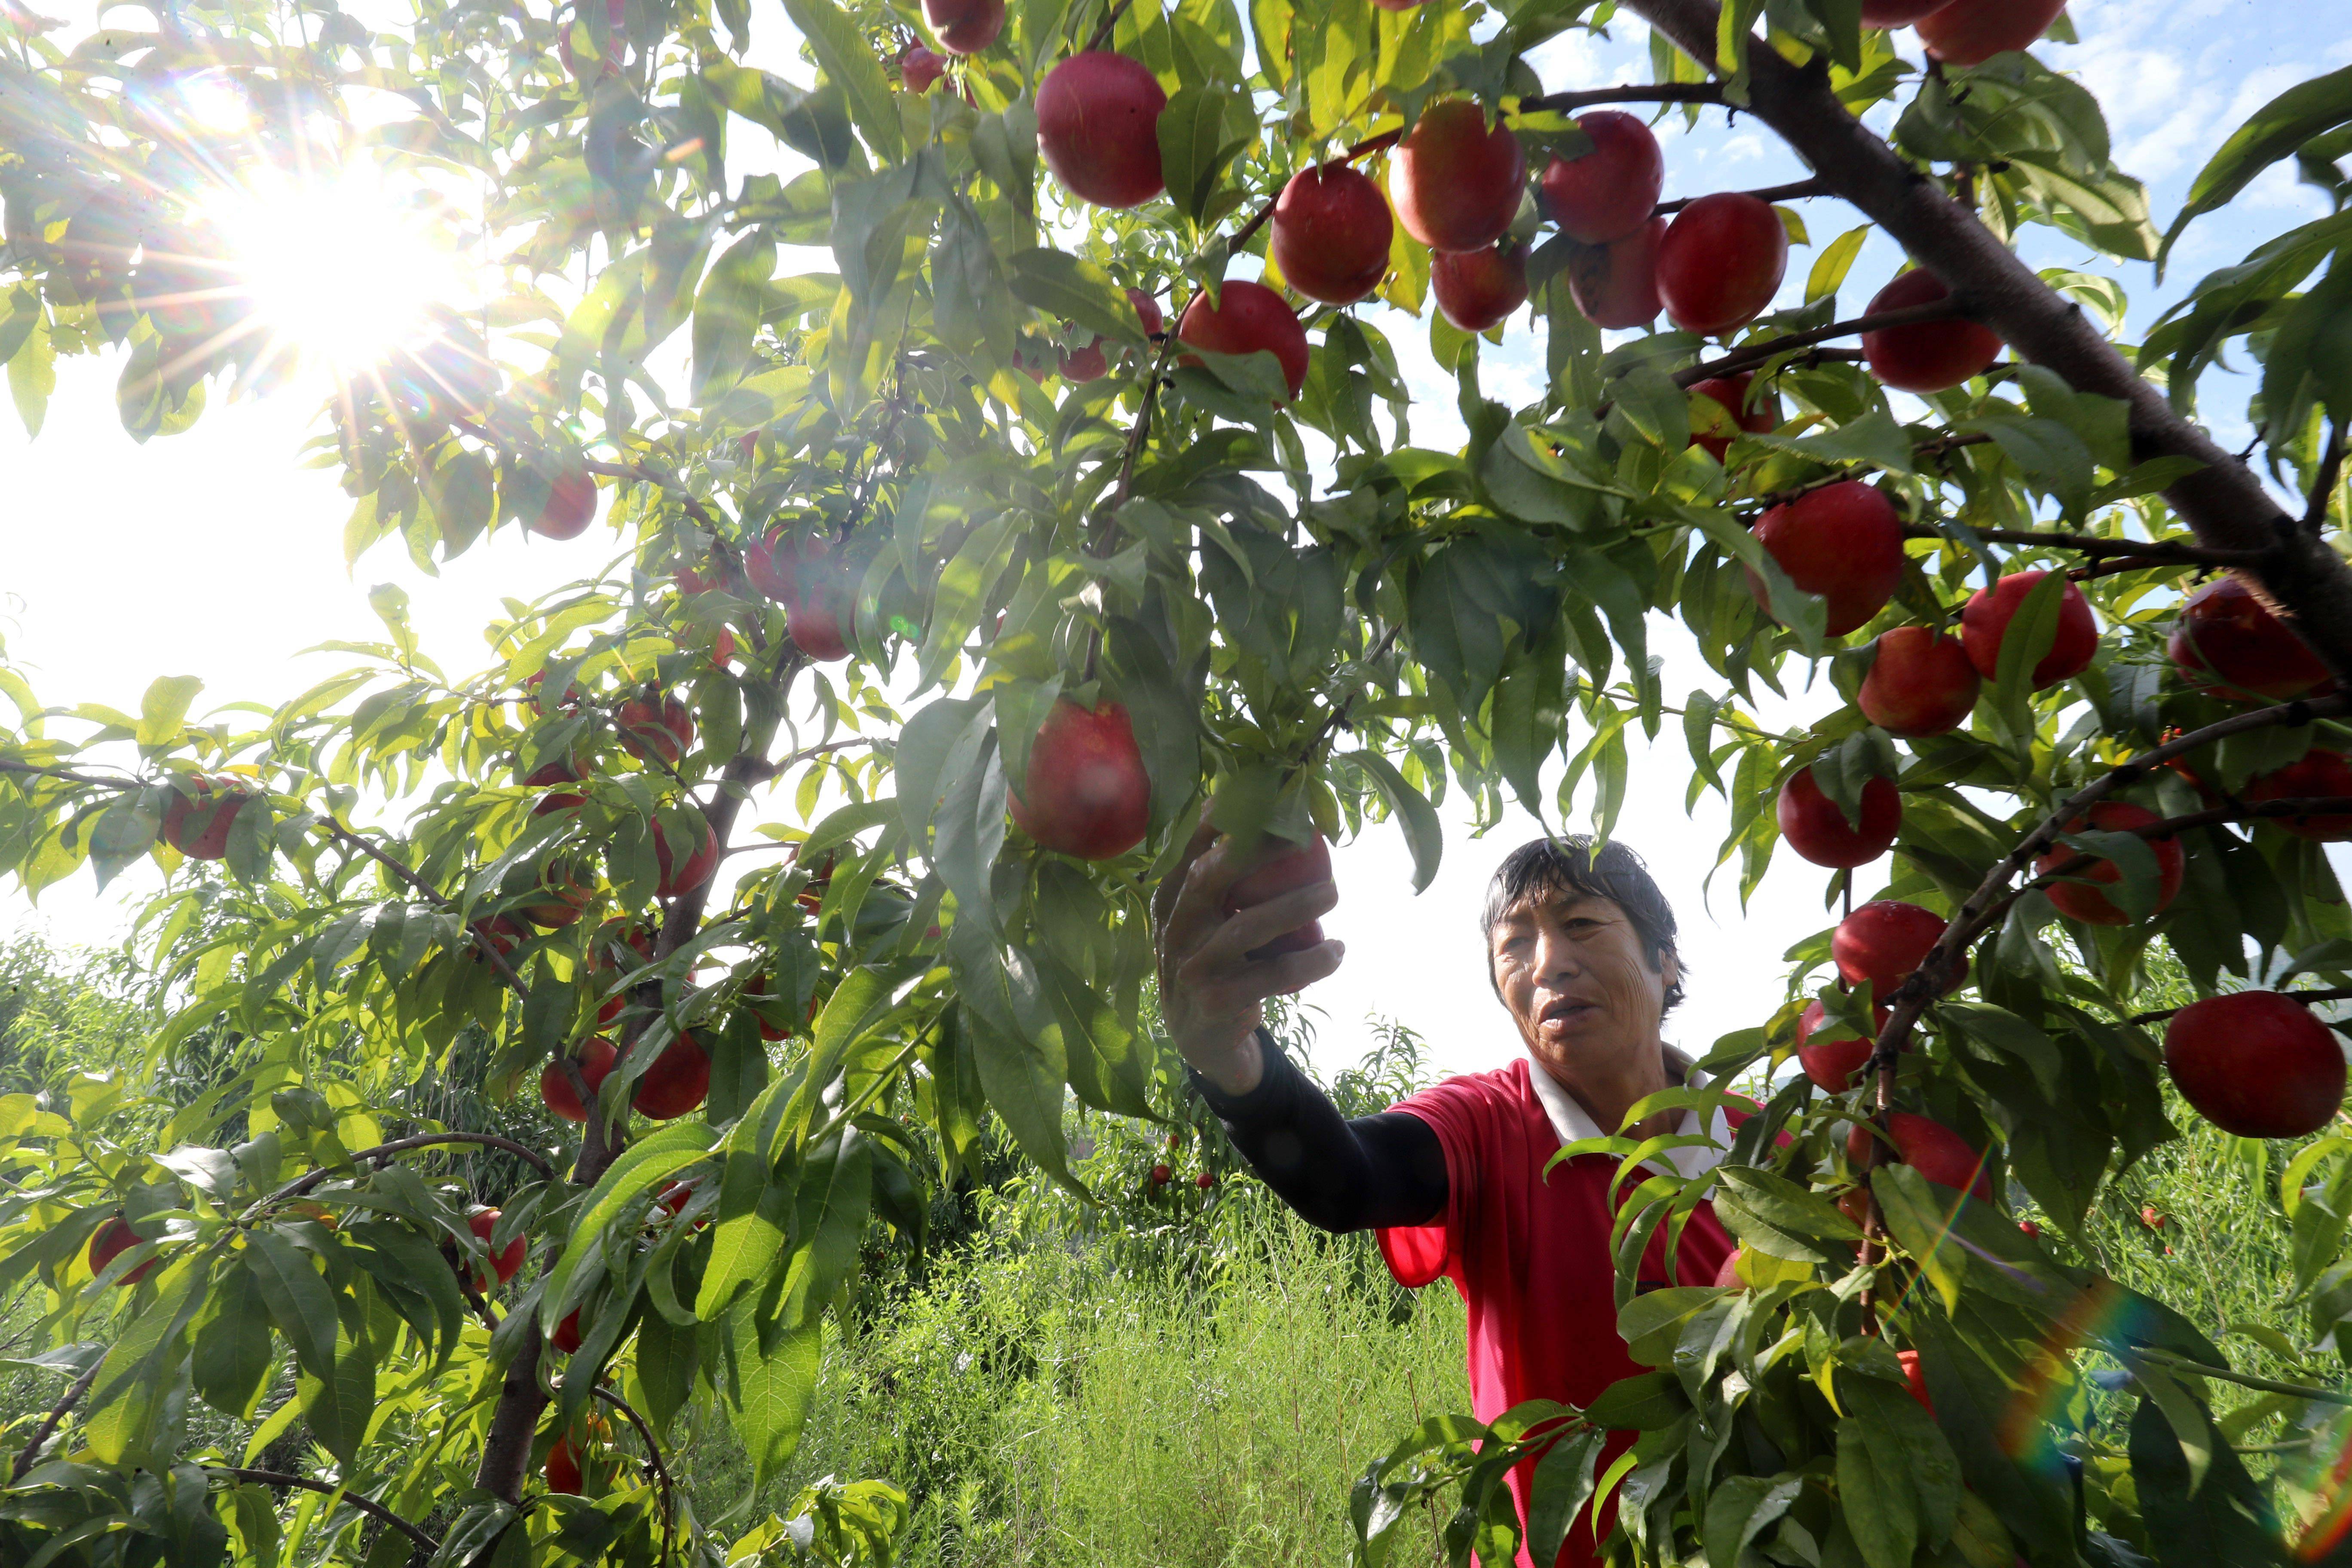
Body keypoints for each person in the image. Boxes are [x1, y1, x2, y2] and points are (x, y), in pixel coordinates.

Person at [1152, 827, 1741, 1568]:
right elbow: (1349, 1178)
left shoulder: (1768, 1149)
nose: (1548, 963)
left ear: (1666, 960)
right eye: (1514, 945)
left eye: (1582, 924)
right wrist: (1236, 1067)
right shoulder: (1489, 1125)